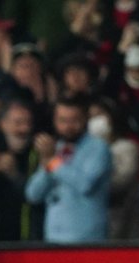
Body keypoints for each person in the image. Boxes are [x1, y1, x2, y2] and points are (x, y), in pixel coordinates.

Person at [23, 96, 112, 243]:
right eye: (62, 120)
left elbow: (85, 185)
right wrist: (47, 165)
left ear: (85, 119)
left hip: (87, 238)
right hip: (53, 236)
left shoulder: (98, 148)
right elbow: (33, 194)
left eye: (74, 120)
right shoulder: (55, 149)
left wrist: (53, 162)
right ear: (54, 121)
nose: (68, 126)